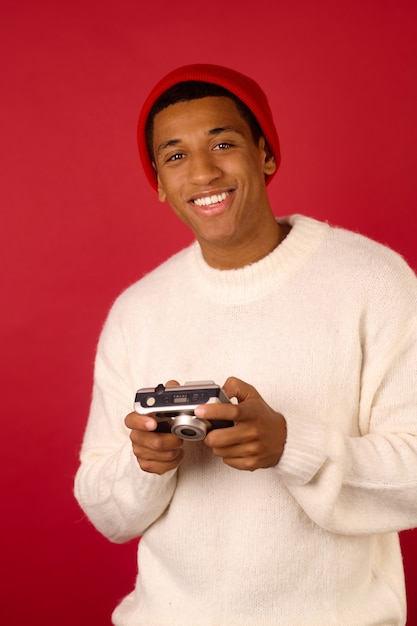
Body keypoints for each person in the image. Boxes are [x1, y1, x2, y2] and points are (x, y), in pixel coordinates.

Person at [74, 64, 417, 625]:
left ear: (266, 155)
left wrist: (291, 446)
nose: (203, 172)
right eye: (176, 155)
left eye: (223, 143)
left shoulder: (375, 281)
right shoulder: (137, 311)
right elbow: (106, 512)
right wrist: (143, 465)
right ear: (159, 183)